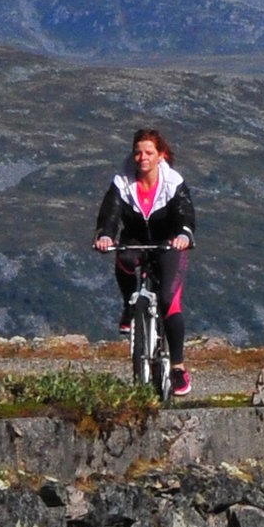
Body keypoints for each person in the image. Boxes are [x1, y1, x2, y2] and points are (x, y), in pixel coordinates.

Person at [93, 123, 195, 395]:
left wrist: (184, 234)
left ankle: (177, 367)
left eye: (149, 152)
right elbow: (110, 213)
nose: (143, 158)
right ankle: (129, 307)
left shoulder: (172, 183)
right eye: (138, 153)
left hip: (169, 243)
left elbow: (185, 213)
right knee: (123, 260)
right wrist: (105, 235)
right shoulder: (122, 181)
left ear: (160, 155)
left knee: (167, 302)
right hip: (136, 240)